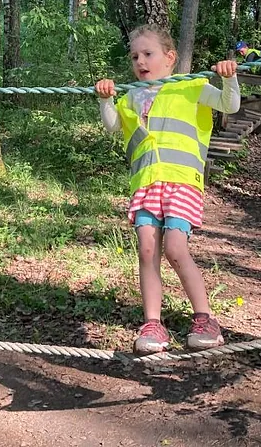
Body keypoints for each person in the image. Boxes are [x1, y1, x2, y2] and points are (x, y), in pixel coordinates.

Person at [95, 25, 240, 355]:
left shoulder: (190, 85)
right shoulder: (131, 95)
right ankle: (153, 324)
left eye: (148, 54)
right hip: (146, 184)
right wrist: (106, 99)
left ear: (170, 58)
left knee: (175, 248)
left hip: (181, 182)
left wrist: (229, 78)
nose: (140, 61)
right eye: (134, 56)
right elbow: (112, 124)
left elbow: (229, 105)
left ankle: (204, 319)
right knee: (147, 250)